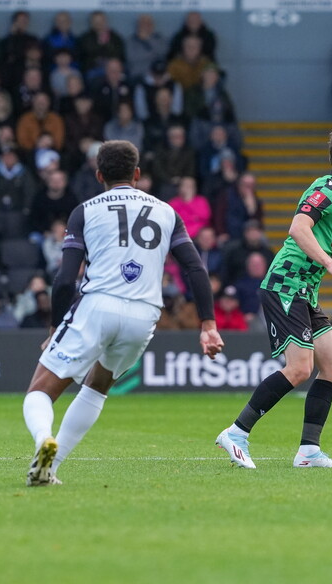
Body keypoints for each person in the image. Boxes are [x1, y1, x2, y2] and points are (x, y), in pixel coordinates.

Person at [22, 139, 223, 486]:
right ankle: (48, 470)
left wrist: (56, 326)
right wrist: (208, 323)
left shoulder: (85, 210)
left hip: (99, 304)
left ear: (99, 174)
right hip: (145, 313)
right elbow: (195, 269)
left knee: (40, 390)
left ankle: (44, 440)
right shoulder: (166, 212)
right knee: (98, 386)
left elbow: (65, 278)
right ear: (138, 174)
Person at [215, 127, 332, 470]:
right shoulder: (326, 188)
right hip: (284, 285)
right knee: (300, 368)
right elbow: (299, 228)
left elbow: (330, 231)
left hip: (305, 291)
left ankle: (308, 451)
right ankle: (237, 432)